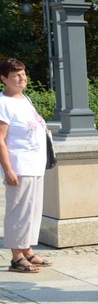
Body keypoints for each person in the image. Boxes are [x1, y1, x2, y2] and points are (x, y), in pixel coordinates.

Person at [0, 58, 52, 273]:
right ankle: (16, 257)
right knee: (18, 212)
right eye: (16, 76)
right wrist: (8, 169)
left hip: (35, 165)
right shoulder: (3, 103)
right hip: (19, 166)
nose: (22, 79)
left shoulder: (25, 99)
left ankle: (27, 250)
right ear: (4, 79)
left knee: (32, 210)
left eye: (23, 74)